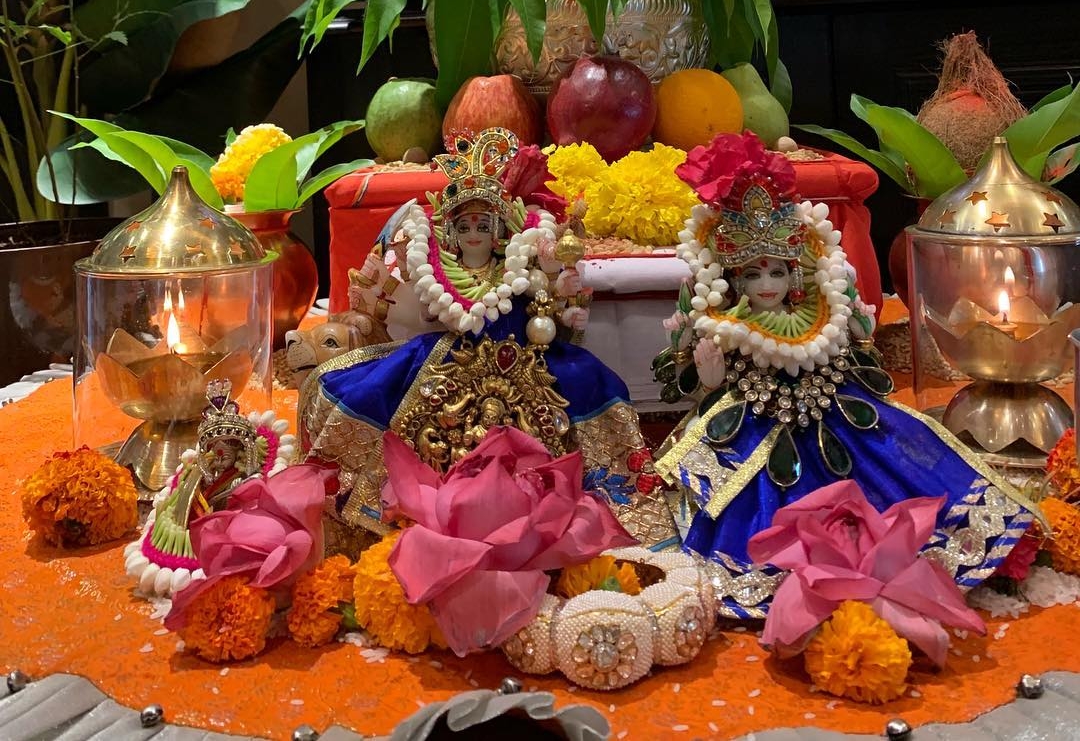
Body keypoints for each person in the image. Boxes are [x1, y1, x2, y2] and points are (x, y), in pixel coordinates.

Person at [653, 132, 1039, 618]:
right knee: (761, 501)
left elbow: (861, 357)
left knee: (891, 461)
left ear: (796, 273)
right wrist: (709, 378)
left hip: (838, 411)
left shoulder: (824, 311)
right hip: (754, 424)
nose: (767, 285)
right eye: (752, 274)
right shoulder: (722, 322)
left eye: (777, 272)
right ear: (733, 278)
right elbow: (684, 380)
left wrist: (858, 336)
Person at [299, 129, 675, 553]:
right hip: (450, 356)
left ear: (498, 230)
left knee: (593, 383)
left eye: (482, 224)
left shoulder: (521, 261)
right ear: (451, 233)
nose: (474, 233)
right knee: (368, 392)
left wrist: (563, 298)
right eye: (464, 226)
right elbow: (426, 313)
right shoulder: (435, 267)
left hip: (524, 355)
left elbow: (546, 308)